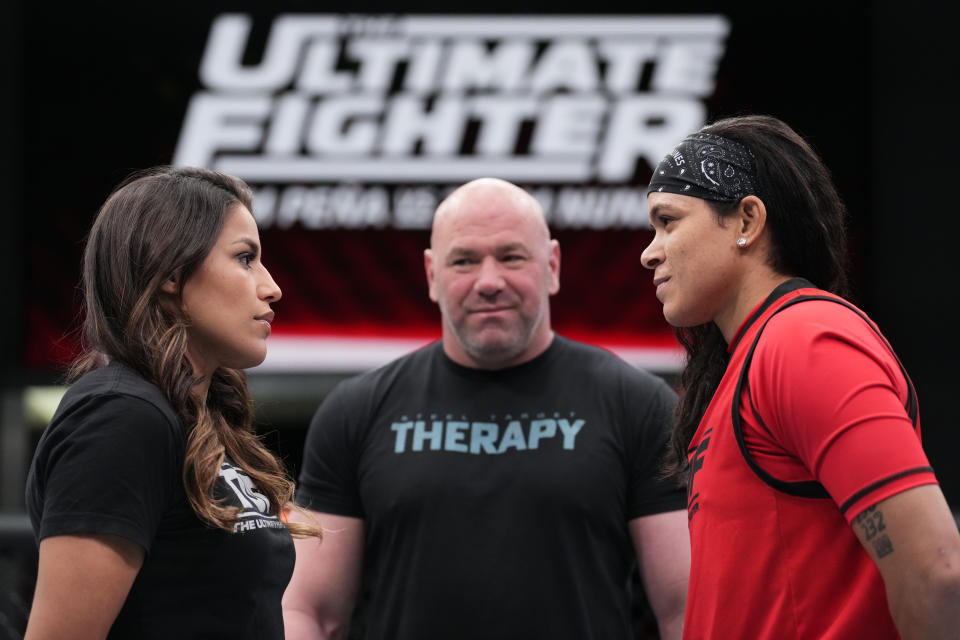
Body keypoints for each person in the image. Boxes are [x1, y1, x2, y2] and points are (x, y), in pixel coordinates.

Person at [282, 177, 690, 640]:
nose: (489, 281)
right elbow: (308, 611)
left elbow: (686, 612)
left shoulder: (637, 405)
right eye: (465, 261)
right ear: (432, 275)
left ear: (552, 265)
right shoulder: (355, 413)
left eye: (511, 257)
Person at [640, 114, 960, 639]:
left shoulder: (805, 340)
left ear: (746, 222)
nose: (649, 252)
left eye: (668, 221)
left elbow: (936, 569)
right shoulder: (758, 353)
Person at [24, 166, 319, 639]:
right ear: (170, 272)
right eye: (245, 258)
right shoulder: (121, 418)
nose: (271, 287)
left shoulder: (187, 418)